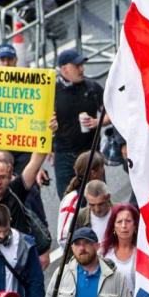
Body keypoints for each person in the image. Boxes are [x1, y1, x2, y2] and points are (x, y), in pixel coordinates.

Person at [52, 48, 105, 197]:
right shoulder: (52, 91)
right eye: (77, 66)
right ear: (64, 69)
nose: (81, 69)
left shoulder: (92, 88)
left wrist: (98, 122)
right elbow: (41, 121)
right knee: (69, 202)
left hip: (91, 154)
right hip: (64, 157)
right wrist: (47, 147)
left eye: (82, 65)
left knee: (98, 199)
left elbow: (112, 113)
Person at [55, 151, 106, 245]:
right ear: (93, 173)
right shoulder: (73, 200)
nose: (103, 171)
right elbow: (64, 238)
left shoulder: (102, 194)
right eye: (102, 168)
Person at [67, 178, 112, 244]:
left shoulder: (121, 212)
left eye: (101, 204)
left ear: (108, 197)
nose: (97, 209)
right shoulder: (80, 218)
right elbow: (71, 244)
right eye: (92, 205)